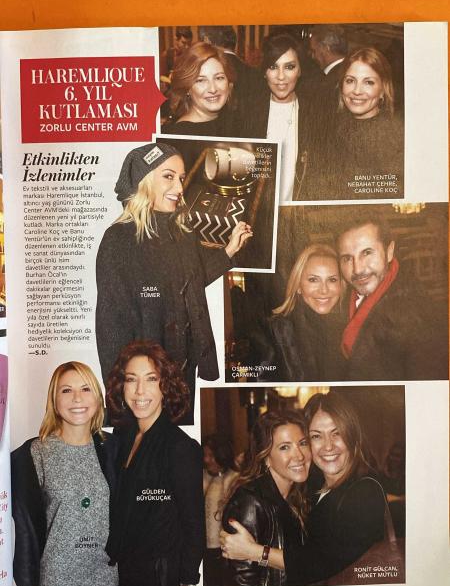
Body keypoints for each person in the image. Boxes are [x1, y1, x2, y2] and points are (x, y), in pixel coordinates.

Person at [96, 142, 252, 422]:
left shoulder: (182, 232)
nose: (180, 188)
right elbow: (110, 328)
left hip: (183, 375)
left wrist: (228, 251)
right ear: (144, 180)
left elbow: (190, 282)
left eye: (181, 178)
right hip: (144, 386)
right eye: (168, 176)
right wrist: (120, 400)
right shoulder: (118, 240)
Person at [220, 392, 386, 586]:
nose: (328, 446)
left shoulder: (365, 491)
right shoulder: (307, 486)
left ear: (353, 436)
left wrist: (255, 552)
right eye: (316, 436)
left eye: (337, 433)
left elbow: (322, 561)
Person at [105, 340, 206, 586]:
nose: (140, 391)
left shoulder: (180, 448)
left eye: (151, 379)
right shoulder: (123, 437)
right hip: (129, 578)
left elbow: (195, 531)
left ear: (165, 386)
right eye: (131, 379)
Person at [11, 362, 118, 586]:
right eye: (67, 390)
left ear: (97, 397)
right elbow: (23, 527)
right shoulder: (35, 453)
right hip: (59, 579)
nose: (77, 398)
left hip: (103, 574)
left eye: (85, 389)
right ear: (54, 400)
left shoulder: (110, 448)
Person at [336, 212, 447, 380]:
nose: (357, 269)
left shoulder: (421, 317)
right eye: (347, 258)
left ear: (389, 251)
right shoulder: (340, 300)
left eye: (367, 252)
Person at [222, 411, 311, 586]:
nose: (299, 455)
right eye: (284, 447)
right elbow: (242, 584)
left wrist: (257, 553)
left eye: (303, 443)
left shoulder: (298, 495)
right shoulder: (250, 502)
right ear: (266, 457)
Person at [240, 32, 310, 202]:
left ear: (300, 70)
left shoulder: (313, 114)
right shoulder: (247, 113)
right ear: (264, 72)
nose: (280, 77)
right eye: (273, 67)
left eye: (289, 67)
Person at [328, 47, 403, 199]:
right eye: (350, 81)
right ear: (341, 86)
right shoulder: (332, 129)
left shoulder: (396, 136)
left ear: (383, 90)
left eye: (368, 82)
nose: (357, 91)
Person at [268, 244, 345, 381]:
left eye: (332, 280)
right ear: (298, 285)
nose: (324, 290)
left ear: (341, 285)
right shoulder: (279, 330)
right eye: (313, 280)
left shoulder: (344, 329)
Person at [162, 42, 236, 137]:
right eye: (201, 80)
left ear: (229, 82)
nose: (213, 89)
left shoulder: (237, 125)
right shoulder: (179, 135)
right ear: (187, 88)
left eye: (219, 78)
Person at [202, 433, 237, 586]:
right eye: (205, 455)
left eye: (211, 455)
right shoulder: (200, 476)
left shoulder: (235, 479)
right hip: (202, 548)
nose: (206, 460)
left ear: (222, 455)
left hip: (226, 550)